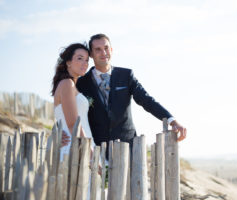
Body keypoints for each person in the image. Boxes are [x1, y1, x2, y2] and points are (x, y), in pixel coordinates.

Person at [76, 33, 187, 149]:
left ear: (111, 49)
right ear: (91, 54)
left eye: (106, 48)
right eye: (98, 50)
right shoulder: (82, 83)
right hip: (97, 147)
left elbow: (147, 101)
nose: (103, 53)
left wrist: (172, 121)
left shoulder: (126, 75)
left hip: (127, 146)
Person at [51, 43, 97, 199]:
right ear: (68, 62)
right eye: (80, 58)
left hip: (77, 144)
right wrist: (91, 154)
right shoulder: (66, 83)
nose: (84, 63)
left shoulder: (71, 85)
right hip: (76, 147)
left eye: (86, 60)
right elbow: (72, 124)